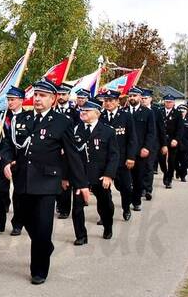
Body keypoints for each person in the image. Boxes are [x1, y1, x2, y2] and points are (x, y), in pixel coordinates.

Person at [0, 78, 89, 285]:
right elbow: (8, 145)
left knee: (43, 225)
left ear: (53, 99)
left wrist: (81, 184)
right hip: (23, 180)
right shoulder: (21, 119)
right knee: (24, 218)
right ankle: (45, 246)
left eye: (43, 96)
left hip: (48, 181)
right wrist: (5, 161)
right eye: (36, 95)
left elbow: (73, 154)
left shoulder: (62, 122)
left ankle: (39, 270)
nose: (38, 99)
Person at [71, 98, 119, 245]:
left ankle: (108, 225)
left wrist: (108, 175)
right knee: (77, 208)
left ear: (97, 113)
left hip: (100, 175)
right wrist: (67, 177)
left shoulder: (108, 131)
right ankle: (81, 236)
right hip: (81, 175)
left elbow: (114, 155)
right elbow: (70, 155)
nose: (83, 112)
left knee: (106, 205)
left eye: (87, 110)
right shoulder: (75, 129)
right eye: (82, 110)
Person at [0, 85, 25, 235]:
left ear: (21, 100)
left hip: (20, 161)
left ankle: (17, 224)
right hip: (3, 158)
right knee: (0, 190)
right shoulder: (3, 115)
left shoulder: (27, 117)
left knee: (19, 194)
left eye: (13, 99)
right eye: (8, 99)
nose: (10, 102)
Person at [97, 89, 137, 221]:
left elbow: (132, 138)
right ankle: (105, 215)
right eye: (106, 101)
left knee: (126, 188)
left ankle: (126, 208)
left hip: (121, 160)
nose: (108, 103)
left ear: (117, 101)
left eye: (111, 101)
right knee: (103, 192)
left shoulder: (126, 116)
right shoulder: (100, 117)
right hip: (104, 161)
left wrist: (131, 157)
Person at [126, 87, 156, 211]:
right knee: (124, 180)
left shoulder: (148, 112)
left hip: (140, 151)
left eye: (135, 96)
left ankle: (136, 201)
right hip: (125, 151)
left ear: (139, 97)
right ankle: (126, 200)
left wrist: (147, 147)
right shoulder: (123, 112)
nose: (132, 98)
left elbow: (151, 132)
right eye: (130, 96)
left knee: (138, 178)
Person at [54, 83, 79, 219]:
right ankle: (59, 202)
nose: (61, 97)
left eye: (64, 94)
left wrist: (67, 147)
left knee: (66, 179)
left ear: (69, 95)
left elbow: (77, 132)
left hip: (68, 151)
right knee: (56, 178)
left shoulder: (74, 112)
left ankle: (64, 209)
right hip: (55, 151)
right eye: (59, 94)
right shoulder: (52, 111)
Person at [141, 89, 165, 200]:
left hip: (152, 144)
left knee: (149, 166)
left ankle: (148, 189)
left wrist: (164, 144)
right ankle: (140, 187)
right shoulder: (137, 110)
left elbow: (161, 129)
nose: (143, 100)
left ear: (150, 99)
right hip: (139, 143)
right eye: (142, 98)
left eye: (145, 98)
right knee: (139, 167)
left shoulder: (156, 111)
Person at [159, 94, 183, 188]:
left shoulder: (177, 113)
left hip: (172, 140)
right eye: (166, 101)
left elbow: (180, 128)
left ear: (173, 103)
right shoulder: (159, 111)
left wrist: (176, 139)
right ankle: (165, 172)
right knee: (161, 160)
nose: (168, 103)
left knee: (171, 160)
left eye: (170, 102)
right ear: (164, 102)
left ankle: (169, 179)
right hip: (161, 140)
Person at [176, 104, 188, 182]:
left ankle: (183, 175)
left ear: (187, 111)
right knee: (174, 161)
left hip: (186, 145)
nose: (182, 113)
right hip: (176, 144)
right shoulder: (175, 120)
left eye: (183, 111)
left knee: (184, 161)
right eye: (180, 111)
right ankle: (178, 171)